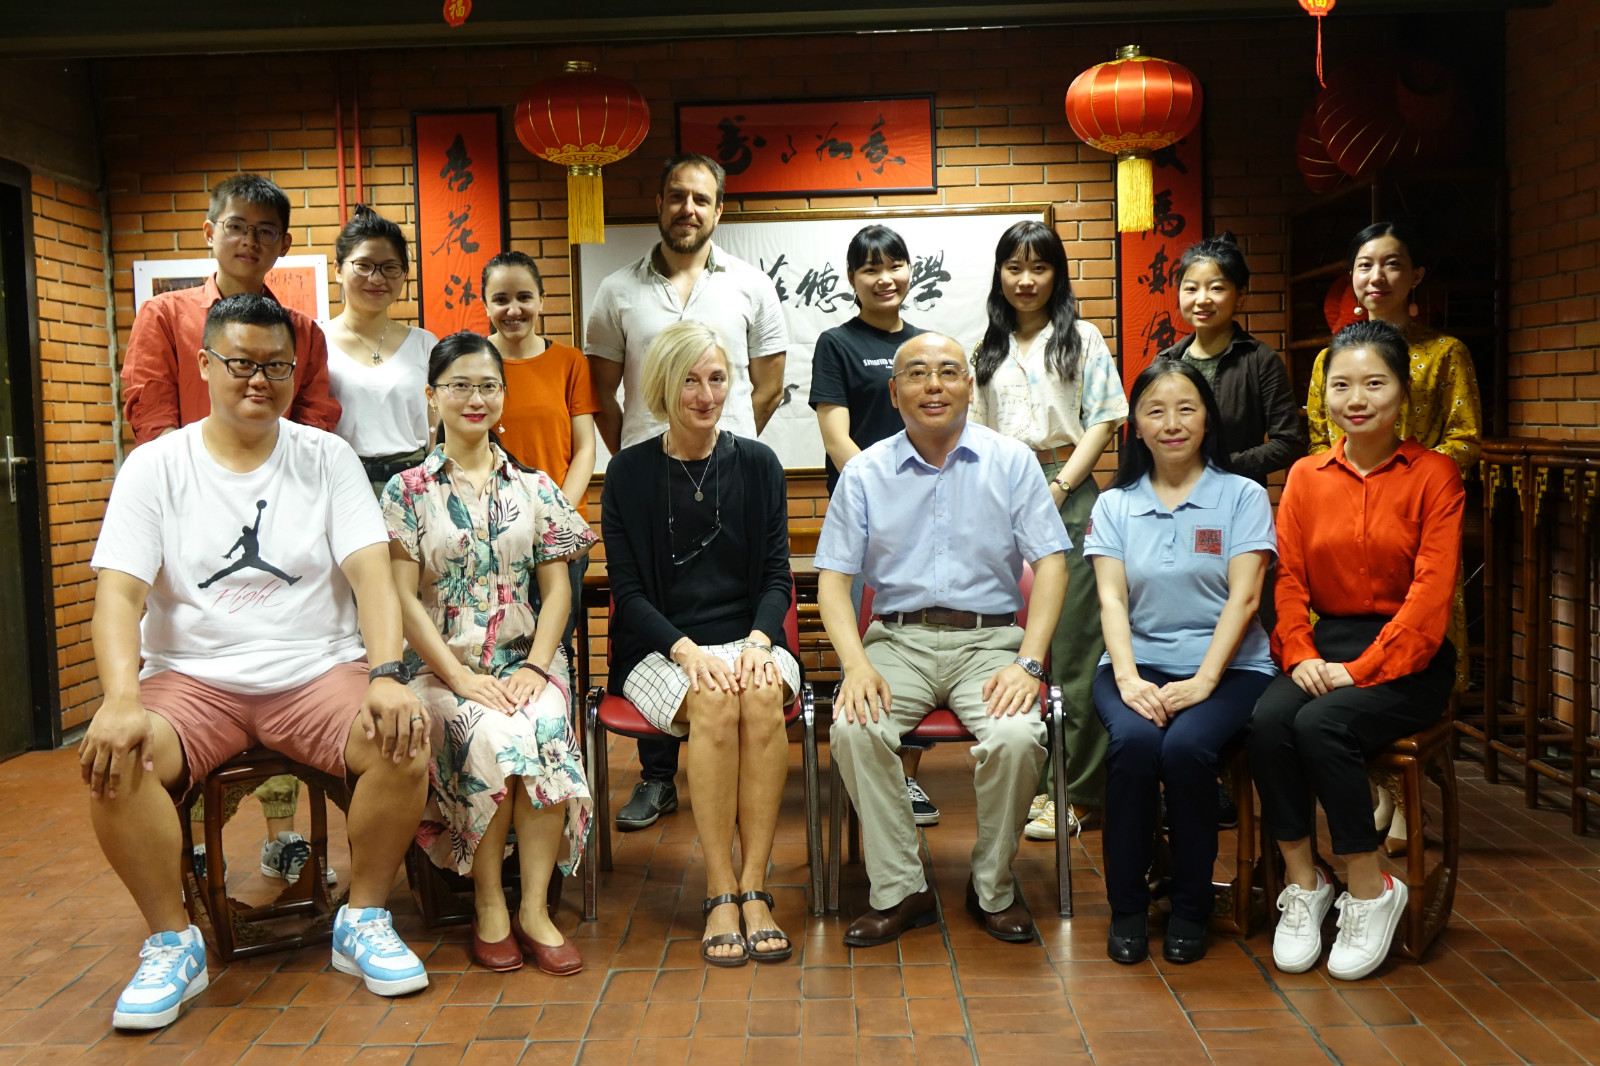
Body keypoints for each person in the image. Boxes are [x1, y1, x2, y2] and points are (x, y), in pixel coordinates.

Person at [81, 294, 430, 1031]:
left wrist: (387, 675)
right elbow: (118, 596)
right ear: (205, 364)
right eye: (241, 363)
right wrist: (119, 698)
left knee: (402, 736)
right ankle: (171, 943)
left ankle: (363, 919)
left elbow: (372, 575)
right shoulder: (155, 467)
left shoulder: (326, 457)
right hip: (192, 677)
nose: (259, 380)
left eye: (276, 366)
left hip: (315, 670)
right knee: (118, 755)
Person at [121, 173, 341, 886]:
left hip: (278, 521)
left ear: (283, 242)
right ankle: (187, 846)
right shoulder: (166, 315)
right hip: (187, 523)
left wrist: (272, 486)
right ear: (210, 232)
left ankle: (282, 838)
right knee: (192, 675)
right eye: (237, 226)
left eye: (266, 230)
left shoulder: (302, 331)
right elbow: (149, 411)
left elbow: (315, 417)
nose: (250, 240)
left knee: (283, 655)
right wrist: (209, 484)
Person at [817, 332, 1069, 948]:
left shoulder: (1012, 462)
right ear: (893, 392)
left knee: (1017, 737)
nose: (934, 385)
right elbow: (833, 583)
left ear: (969, 387)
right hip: (897, 642)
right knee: (853, 728)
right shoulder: (865, 472)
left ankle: (992, 886)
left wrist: (1029, 663)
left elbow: (1053, 565)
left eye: (949, 372)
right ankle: (901, 888)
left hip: (990, 643)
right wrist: (855, 665)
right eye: (917, 373)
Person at [1252, 319, 1464, 982]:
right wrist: (1300, 654)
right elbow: (1287, 578)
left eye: (1375, 383)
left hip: (1413, 654)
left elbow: (1430, 596)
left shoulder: (1436, 475)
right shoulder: (1306, 476)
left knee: (1322, 723)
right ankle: (1305, 882)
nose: (1357, 399)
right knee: (1266, 721)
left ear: (1403, 392)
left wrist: (1360, 671)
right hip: (1328, 641)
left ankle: (1371, 888)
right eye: (1341, 385)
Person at [585, 153, 790, 833]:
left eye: (702, 198)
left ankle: (733, 820)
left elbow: (767, 383)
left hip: (727, 465)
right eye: (677, 196)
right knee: (660, 594)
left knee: (726, 611)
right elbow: (603, 392)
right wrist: (638, 453)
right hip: (652, 471)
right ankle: (657, 778)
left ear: (719, 209)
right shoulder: (617, 289)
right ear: (659, 202)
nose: (688, 209)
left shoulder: (751, 285)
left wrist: (728, 441)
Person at [383, 332, 596, 976]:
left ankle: (533, 909)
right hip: (440, 669)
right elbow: (401, 598)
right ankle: (489, 904)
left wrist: (535, 667)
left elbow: (558, 592)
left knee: (546, 726)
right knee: (489, 736)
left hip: (525, 664)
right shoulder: (405, 491)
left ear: (503, 395)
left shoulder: (535, 486)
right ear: (432, 396)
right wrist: (459, 677)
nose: (475, 398)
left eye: (488, 386)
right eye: (460, 386)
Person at [600, 319, 801, 966]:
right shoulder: (628, 473)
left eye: (717, 378)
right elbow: (628, 593)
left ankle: (755, 888)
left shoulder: (759, 465)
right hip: (660, 649)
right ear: (663, 385)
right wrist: (686, 651)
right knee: (713, 702)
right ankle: (720, 890)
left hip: (750, 638)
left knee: (760, 696)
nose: (706, 394)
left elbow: (777, 577)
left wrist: (760, 643)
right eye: (690, 380)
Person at [1083, 359, 1277, 966]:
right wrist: (1128, 679)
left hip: (1232, 670)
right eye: (1155, 411)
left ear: (1208, 420)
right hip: (1134, 665)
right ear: (1136, 426)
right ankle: (1128, 908)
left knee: (1188, 749)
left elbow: (1245, 599)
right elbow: (1112, 599)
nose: (1172, 423)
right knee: (1135, 746)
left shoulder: (1242, 496)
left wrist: (1203, 682)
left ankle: (1192, 907)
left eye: (1186, 409)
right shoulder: (1115, 505)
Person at [1304, 221, 1482, 851]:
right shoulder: (1329, 357)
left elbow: (1465, 438)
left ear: (1415, 276)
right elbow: (1319, 437)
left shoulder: (1446, 352)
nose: (1375, 276)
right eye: (1364, 265)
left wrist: (1405, 481)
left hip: (1415, 526)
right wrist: (1352, 483)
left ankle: (1410, 800)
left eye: (1391, 263)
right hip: (1347, 529)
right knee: (1341, 664)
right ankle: (1376, 792)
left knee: (1412, 657)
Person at [970, 220, 1126, 842]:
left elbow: (1104, 420)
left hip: (1069, 489)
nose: (1026, 279)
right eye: (1014, 267)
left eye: (1039, 267)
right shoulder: (985, 349)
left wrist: (1059, 485)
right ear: (999, 274)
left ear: (1057, 274)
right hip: (998, 496)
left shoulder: (1081, 338)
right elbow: (974, 434)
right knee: (1017, 641)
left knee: (1077, 644)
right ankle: (1030, 782)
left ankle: (1078, 791)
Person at [807, 224, 939, 826]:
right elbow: (836, 436)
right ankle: (870, 777)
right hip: (864, 518)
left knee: (922, 645)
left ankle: (905, 779)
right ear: (852, 280)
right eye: (871, 268)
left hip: (928, 521)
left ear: (910, 270)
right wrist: (889, 496)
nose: (885, 278)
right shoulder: (837, 343)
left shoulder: (924, 345)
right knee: (864, 645)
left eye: (895, 265)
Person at [483, 250, 600, 645]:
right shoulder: (471, 362)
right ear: (486, 304)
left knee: (554, 651)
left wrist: (554, 515)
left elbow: (585, 449)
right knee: (493, 649)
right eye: (501, 299)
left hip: (559, 531)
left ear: (542, 301)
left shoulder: (570, 362)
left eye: (524, 297)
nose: (513, 309)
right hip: (491, 532)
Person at [322, 204, 438, 493]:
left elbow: (437, 423)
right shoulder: (316, 341)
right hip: (342, 484)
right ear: (338, 270)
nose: (376, 278)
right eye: (363, 265)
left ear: (404, 274)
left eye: (390, 268)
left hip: (415, 486)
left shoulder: (425, 343)